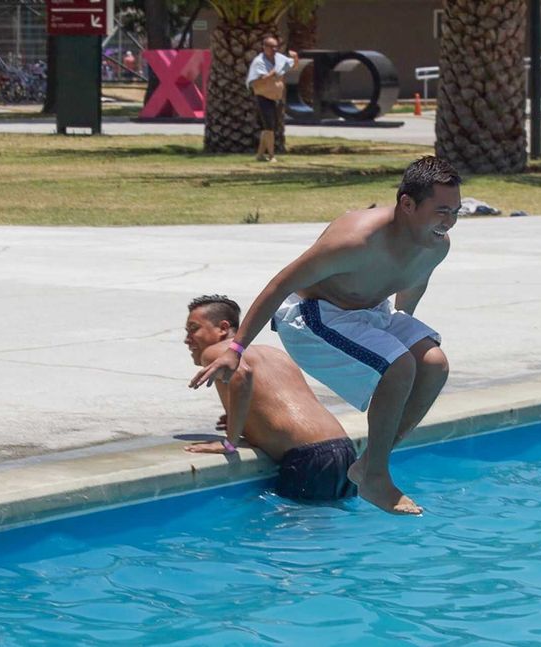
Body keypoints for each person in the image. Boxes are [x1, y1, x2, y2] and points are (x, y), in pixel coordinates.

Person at [191, 156, 459, 515]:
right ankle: (376, 474)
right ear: (407, 204)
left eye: (456, 212)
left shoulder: (435, 246)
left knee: (433, 364)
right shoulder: (355, 241)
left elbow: (413, 282)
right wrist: (236, 348)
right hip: (314, 316)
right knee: (398, 367)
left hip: (370, 313)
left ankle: (370, 465)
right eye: (442, 211)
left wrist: (402, 331)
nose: (450, 221)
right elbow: (279, 284)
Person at [184, 295, 358, 502]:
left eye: (193, 329)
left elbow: (241, 375)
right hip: (344, 449)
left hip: (308, 457)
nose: (187, 339)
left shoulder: (216, 353)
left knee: (297, 529)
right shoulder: (272, 353)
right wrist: (244, 421)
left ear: (222, 328)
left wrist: (230, 442)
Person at [246, 36, 298, 162]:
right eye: (271, 47)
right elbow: (257, 81)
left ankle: (259, 155)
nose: (274, 49)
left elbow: (291, 67)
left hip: (276, 98)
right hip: (264, 97)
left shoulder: (279, 59)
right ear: (264, 47)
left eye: (276, 46)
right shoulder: (259, 62)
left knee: (268, 128)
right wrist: (273, 72)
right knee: (269, 128)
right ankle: (271, 156)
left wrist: (295, 58)